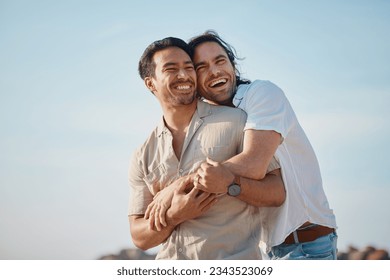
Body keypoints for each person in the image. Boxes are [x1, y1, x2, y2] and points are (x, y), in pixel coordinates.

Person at [128, 37, 285, 259]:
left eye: (189, 67)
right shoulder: (143, 154)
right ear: (150, 83)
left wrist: (230, 183)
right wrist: (174, 215)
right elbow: (139, 236)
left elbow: (277, 192)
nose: (183, 75)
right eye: (171, 69)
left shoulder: (237, 121)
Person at [186, 30, 338, 260]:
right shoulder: (211, 123)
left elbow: (253, 164)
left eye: (220, 61)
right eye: (202, 67)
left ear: (232, 66)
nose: (215, 71)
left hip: (307, 246)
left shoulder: (262, 93)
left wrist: (174, 191)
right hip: (268, 252)